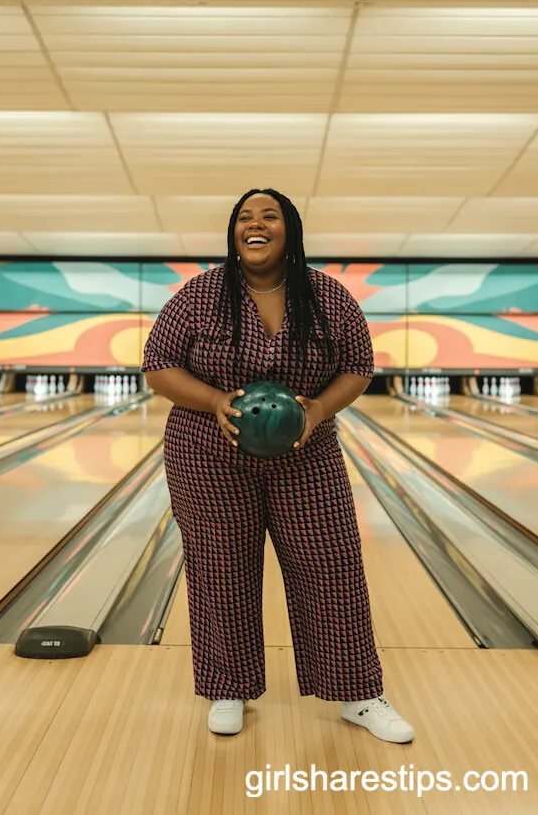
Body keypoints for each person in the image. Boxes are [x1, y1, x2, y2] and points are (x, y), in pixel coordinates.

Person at [141, 188, 414, 744]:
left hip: (306, 455)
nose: (255, 224)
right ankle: (228, 687)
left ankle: (359, 693)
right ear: (233, 232)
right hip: (208, 454)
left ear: (290, 229)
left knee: (332, 566)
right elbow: (157, 364)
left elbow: (359, 366)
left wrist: (317, 410)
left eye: (269, 215)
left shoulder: (328, 297)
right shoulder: (199, 295)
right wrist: (215, 400)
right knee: (220, 569)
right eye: (245, 217)